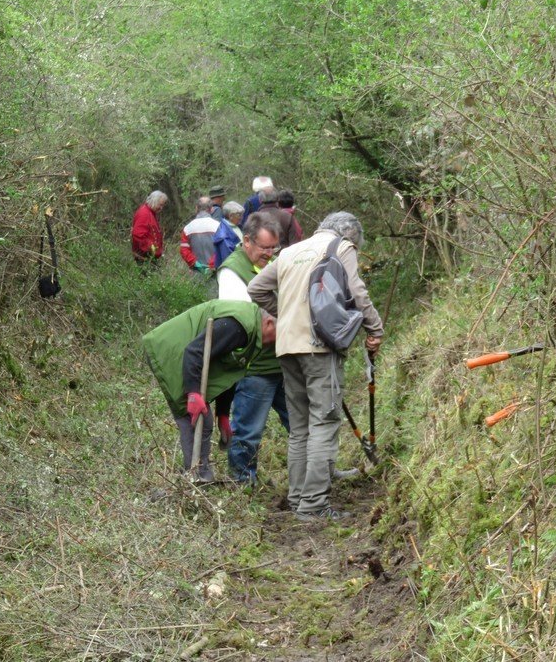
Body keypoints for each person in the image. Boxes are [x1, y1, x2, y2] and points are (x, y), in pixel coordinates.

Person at [248, 212, 384, 521]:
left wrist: (286, 315)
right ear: (348, 235)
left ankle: (298, 498)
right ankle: (313, 505)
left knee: (300, 428)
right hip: (318, 347)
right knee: (324, 422)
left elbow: (256, 288)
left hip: (286, 347)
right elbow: (357, 291)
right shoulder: (340, 247)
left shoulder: (291, 251)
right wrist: (375, 329)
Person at [142, 300, 278, 482]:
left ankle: (198, 474)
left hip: (187, 353)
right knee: (196, 417)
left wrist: (222, 413)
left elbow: (228, 371)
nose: (280, 343)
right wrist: (193, 393)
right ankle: (196, 478)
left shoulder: (252, 331)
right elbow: (194, 351)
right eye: (282, 335)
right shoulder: (239, 325)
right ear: (269, 323)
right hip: (172, 350)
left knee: (204, 419)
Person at [217, 214, 290, 482]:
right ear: (247, 241)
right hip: (255, 367)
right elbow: (243, 322)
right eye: (264, 248)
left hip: (282, 360)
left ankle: (317, 473)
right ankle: (243, 483)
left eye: (274, 248)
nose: (270, 254)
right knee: (248, 431)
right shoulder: (231, 272)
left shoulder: (271, 264)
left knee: (300, 422)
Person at [179, 196, 220, 275]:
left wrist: (195, 264)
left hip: (196, 273)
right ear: (211, 209)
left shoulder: (188, 228)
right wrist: (212, 264)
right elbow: (222, 248)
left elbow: (184, 250)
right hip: (216, 271)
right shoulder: (219, 226)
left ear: (196, 208)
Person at [132, 190, 168, 265]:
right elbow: (138, 235)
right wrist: (150, 249)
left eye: (163, 206)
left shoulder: (150, 213)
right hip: (144, 258)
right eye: (160, 205)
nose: (161, 208)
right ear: (154, 201)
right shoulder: (144, 213)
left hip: (149, 258)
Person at [213, 201, 244, 268]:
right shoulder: (223, 234)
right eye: (239, 215)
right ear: (230, 216)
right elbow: (228, 258)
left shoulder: (237, 226)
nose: (241, 217)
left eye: (242, 214)